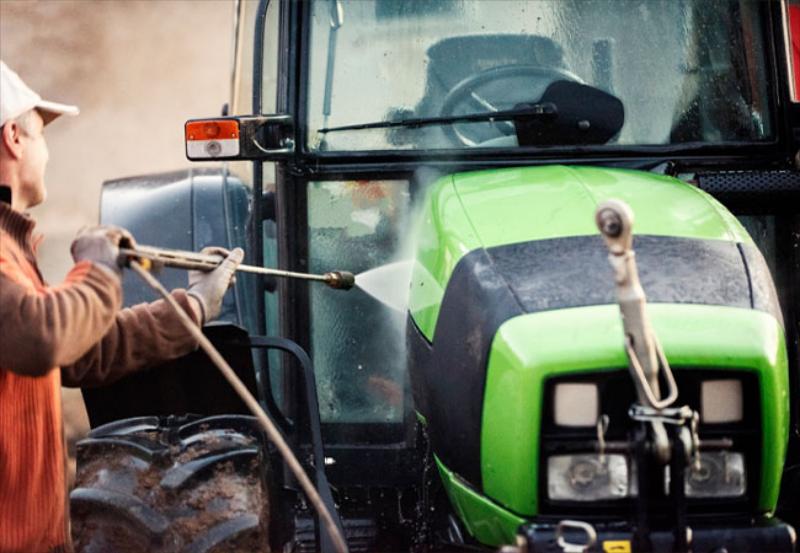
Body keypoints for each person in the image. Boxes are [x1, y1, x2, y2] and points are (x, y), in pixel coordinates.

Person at [0, 60, 243, 552]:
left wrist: (194, 305)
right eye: (43, 136)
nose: (47, 153)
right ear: (13, 137)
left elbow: (79, 351)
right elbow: (42, 336)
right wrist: (98, 269)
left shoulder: (10, 249)